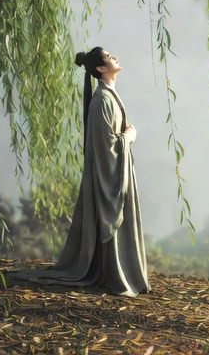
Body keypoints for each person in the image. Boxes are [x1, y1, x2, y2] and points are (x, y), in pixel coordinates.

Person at [9, 46, 150, 296]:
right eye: (109, 57)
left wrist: (124, 136)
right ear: (101, 68)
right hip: (111, 171)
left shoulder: (108, 96)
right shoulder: (102, 100)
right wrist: (128, 137)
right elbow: (106, 147)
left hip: (119, 168)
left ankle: (120, 272)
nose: (115, 57)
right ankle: (112, 272)